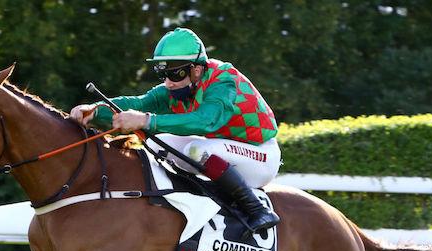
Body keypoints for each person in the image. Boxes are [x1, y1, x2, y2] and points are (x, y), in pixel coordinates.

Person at [70, 27, 280, 232]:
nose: (169, 83)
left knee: (196, 150)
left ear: (196, 70)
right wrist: (95, 110)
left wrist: (145, 120)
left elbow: (205, 121)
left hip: (261, 156)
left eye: (175, 74)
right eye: (164, 75)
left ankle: (257, 209)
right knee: (156, 143)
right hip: (228, 152)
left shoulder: (223, 81)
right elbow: (138, 103)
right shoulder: (177, 89)